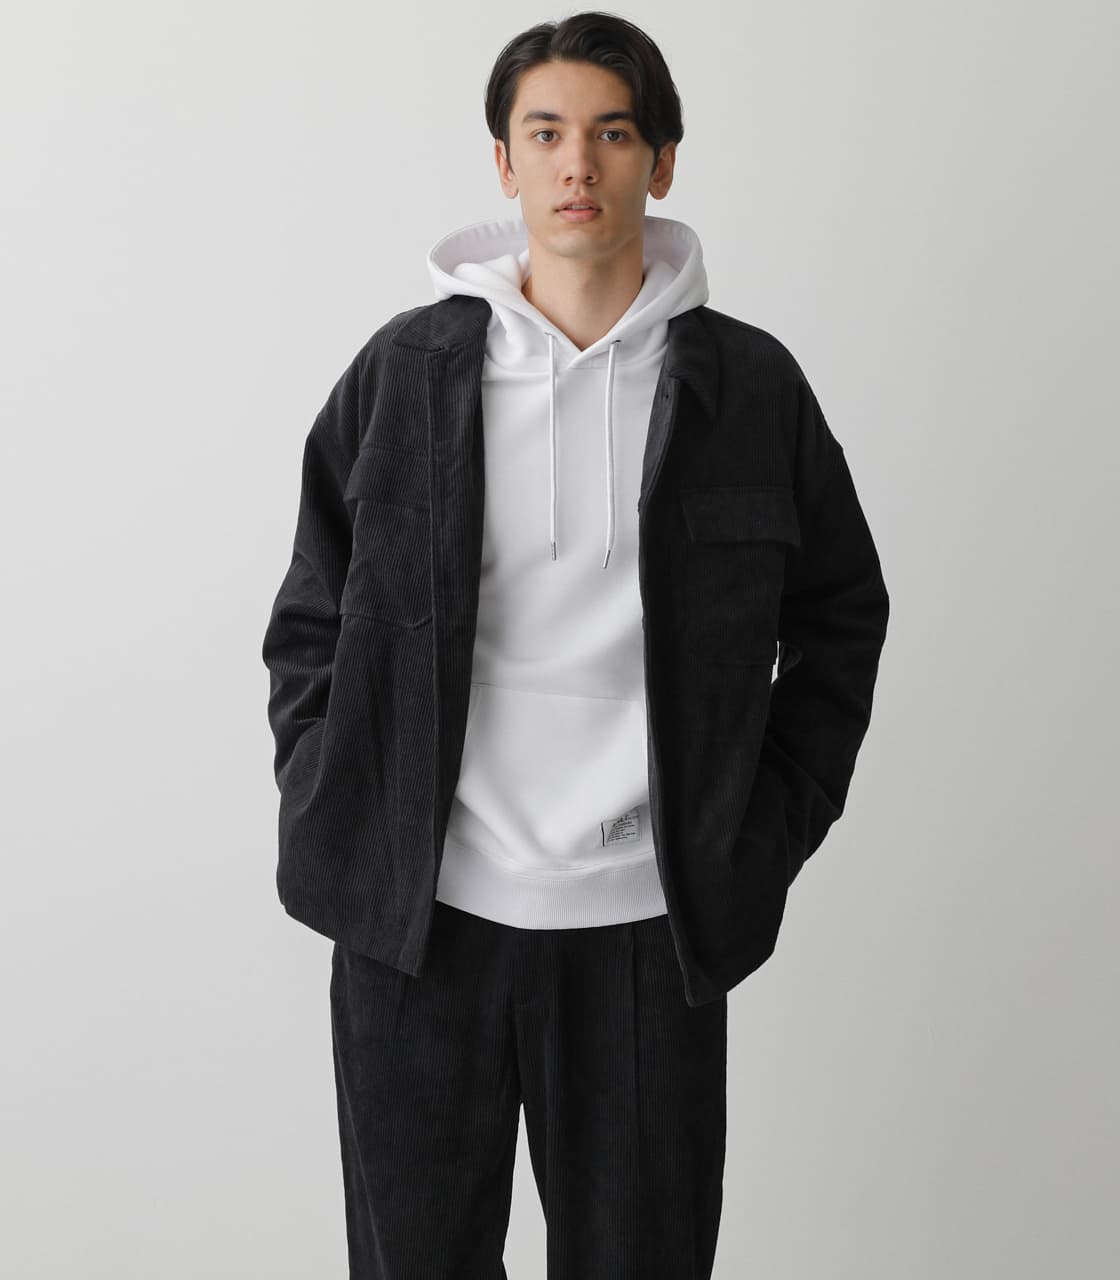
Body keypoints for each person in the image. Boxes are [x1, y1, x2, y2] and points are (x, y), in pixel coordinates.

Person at [260, 11, 889, 1278]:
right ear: (504, 162)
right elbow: (310, 613)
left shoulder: (747, 390)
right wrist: (338, 787)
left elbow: (841, 614)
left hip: (648, 928)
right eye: (545, 134)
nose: (576, 165)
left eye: (611, 133)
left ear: (661, 159)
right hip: (419, 924)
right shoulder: (403, 374)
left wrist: (760, 826)